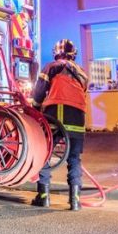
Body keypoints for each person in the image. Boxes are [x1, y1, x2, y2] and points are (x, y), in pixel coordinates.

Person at [30, 39, 88, 211]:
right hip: (77, 117)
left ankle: (43, 197)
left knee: (45, 153)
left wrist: (34, 107)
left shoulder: (51, 67)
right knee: (74, 158)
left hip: (55, 114)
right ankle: (75, 201)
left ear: (56, 52)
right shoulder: (82, 72)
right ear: (74, 54)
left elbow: (40, 91)